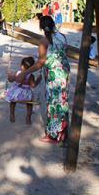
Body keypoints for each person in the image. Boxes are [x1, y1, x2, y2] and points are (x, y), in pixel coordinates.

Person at [20, 15, 70, 143]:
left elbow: (41, 62)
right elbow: (65, 51)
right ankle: (63, 132)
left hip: (53, 75)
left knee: (53, 104)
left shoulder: (44, 41)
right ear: (53, 24)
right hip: (64, 72)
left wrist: (25, 72)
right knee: (62, 101)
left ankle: (53, 135)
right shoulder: (62, 37)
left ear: (42, 27)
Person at [6, 56, 42, 124]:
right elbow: (33, 86)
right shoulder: (31, 76)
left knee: (12, 102)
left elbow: (11, 80)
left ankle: (12, 114)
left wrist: (9, 77)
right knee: (29, 104)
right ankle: (28, 117)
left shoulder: (18, 73)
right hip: (26, 96)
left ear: (22, 66)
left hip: (16, 94)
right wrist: (38, 79)